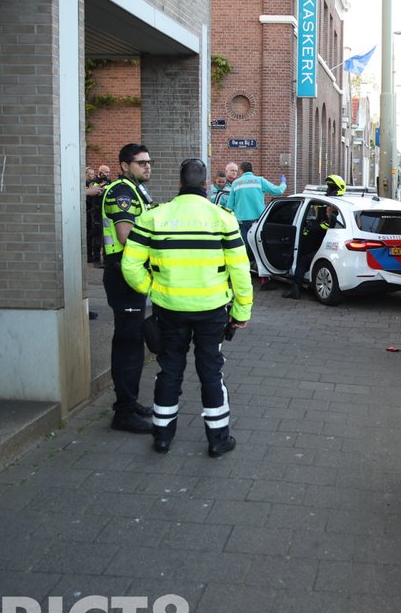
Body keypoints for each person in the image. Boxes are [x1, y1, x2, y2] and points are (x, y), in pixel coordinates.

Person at [122, 158, 253, 457]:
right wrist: (241, 311)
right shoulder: (223, 218)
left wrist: (152, 289)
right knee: (211, 372)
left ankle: (162, 436)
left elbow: (130, 266)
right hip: (212, 310)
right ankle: (218, 439)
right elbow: (240, 270)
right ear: (206, 184)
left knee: (169, 370)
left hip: (169, 310)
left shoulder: (154, 217)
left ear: (179, 184)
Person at [101, 143, 157, 433]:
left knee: (133, 342)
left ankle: (129, 402)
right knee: (128, 344)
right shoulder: (122, 192)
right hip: (122, 276)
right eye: (141, 162)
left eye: (148, 162)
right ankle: (123, 413)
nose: (147, 166)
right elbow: (125, 235)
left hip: (130, 274)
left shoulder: (135, 190)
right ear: (124, 166)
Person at [225, 161, 287, 289]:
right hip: (258, 223)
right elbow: (278, 191)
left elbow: (229, 206)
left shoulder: (236, 183)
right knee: (260, 251)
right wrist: (283, 183)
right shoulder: (260, 181)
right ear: (251, 170)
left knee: (242, 252)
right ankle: (265, 281)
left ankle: (239, 279)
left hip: (242, 223)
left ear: (241, 170)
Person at [85, 165, 109, 268]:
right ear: (100, 172)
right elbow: (96, 194)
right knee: (97, 238)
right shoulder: (94, 182)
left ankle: (106, 260)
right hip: (96, 213)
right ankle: (96, 260)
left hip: (106, 213)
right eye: (106, 172)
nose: (108, 174)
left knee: (106, 238)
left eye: (108, 172)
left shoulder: (108, 181)